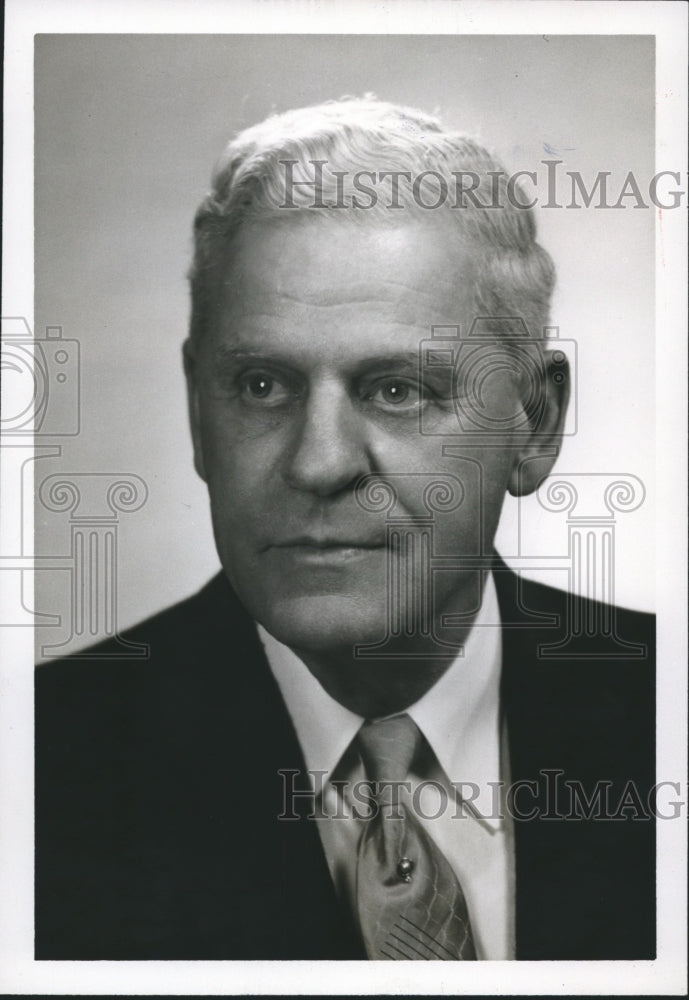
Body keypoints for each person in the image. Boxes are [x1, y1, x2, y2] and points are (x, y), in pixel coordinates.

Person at [35, 98, 654, 961]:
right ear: (194, 410)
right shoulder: (34, 773)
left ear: (536, 420)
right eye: (260, 386)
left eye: (395, 388)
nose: (319, 464)